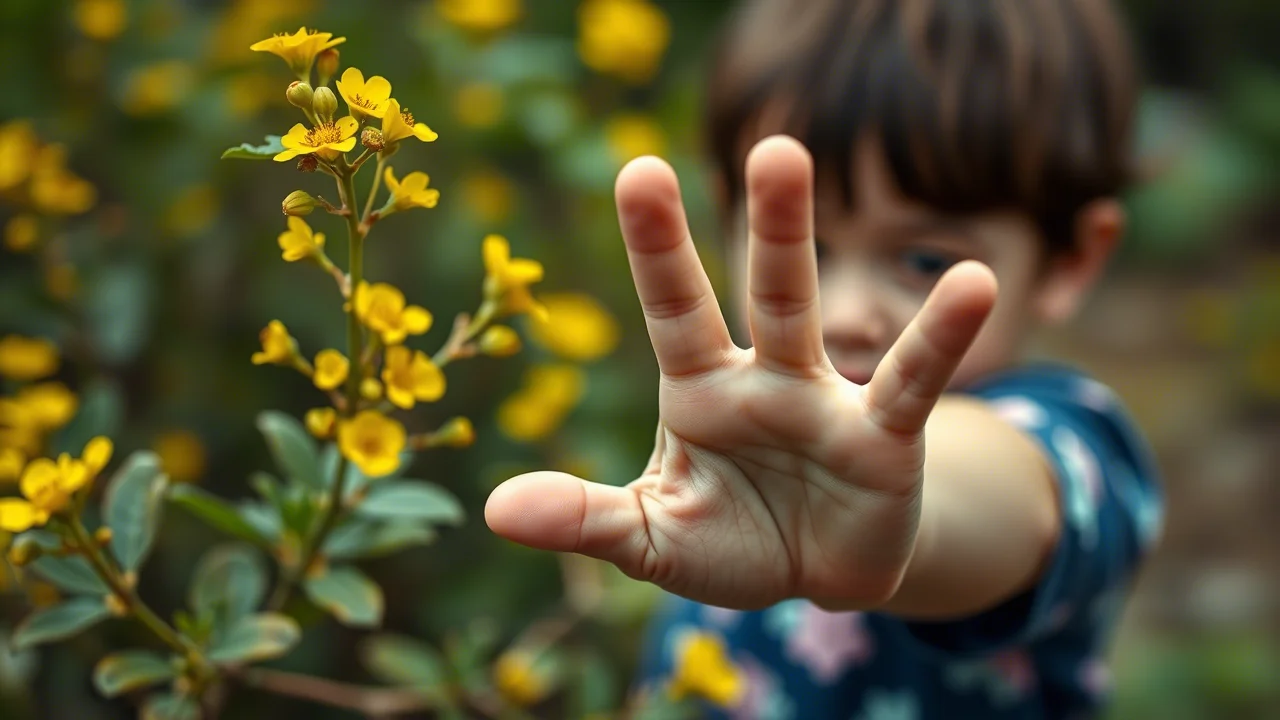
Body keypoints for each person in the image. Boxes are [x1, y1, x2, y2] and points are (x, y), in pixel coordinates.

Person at [484, 0, 1165, 717]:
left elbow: (1003, 498)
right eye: (809, 247)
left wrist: (906, 513)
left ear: (1070, 258)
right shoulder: (732, 441)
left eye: (924, 260)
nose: (844, 315)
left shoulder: (1077, 446)